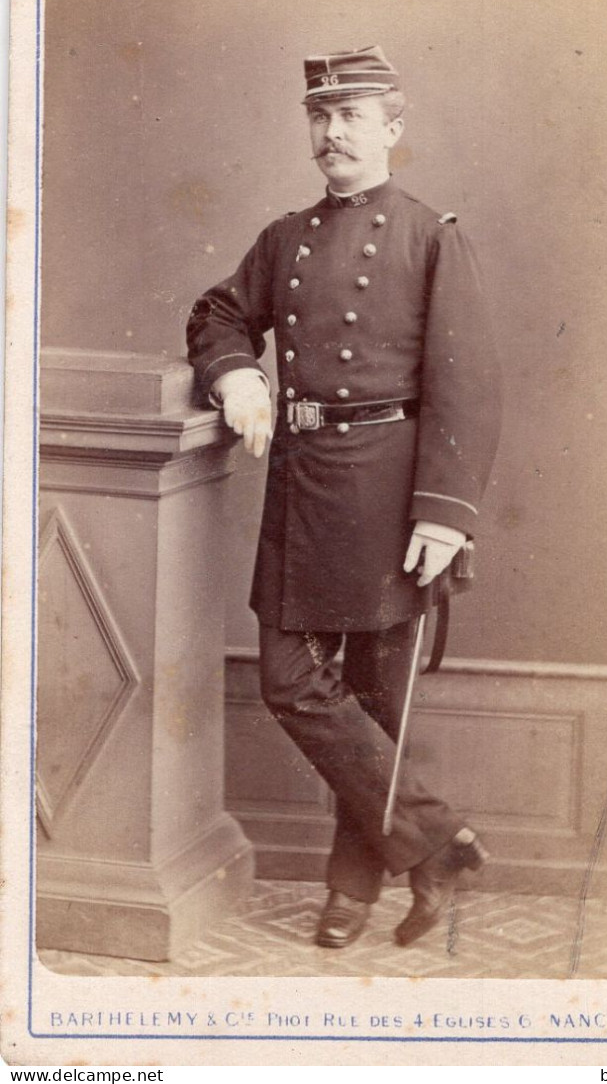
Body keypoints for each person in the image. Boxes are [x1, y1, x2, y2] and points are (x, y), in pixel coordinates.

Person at [187, 46, 502, 949]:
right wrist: (238, 376)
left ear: (393, 131)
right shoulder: (286, 238)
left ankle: (351, 890)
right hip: (304, 478)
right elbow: (217, 313)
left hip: (393, 489)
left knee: (374, 694)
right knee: (296, 682)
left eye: (351, 116)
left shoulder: (430, 233)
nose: (331, 133)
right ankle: (439, 845)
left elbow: (468, 383)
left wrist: (444, 510)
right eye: (319, 118)